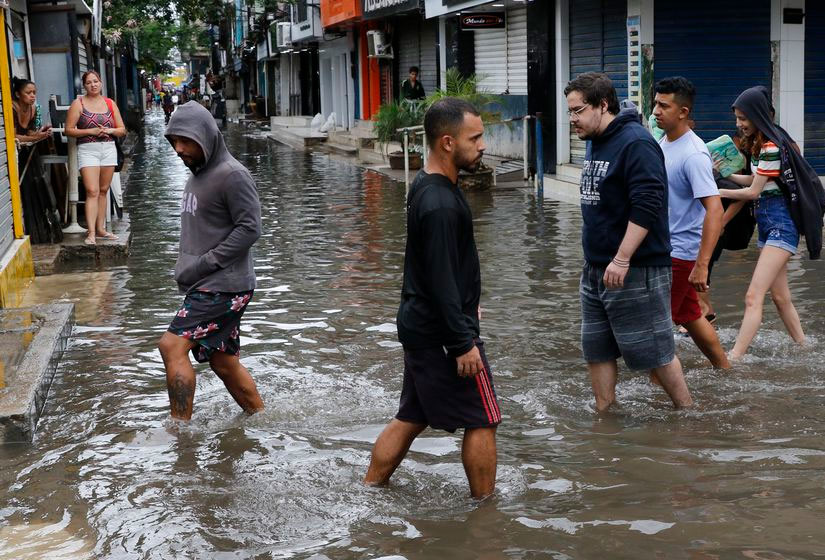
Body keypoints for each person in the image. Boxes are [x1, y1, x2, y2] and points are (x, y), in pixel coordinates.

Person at [364, 98, 500, 499]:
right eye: (474, 138)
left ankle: (369, 490)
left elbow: (437, 268)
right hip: (443, 335)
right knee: (484, 417)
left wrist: (467, 298)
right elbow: (440, 278)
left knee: (411, 415)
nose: (483, 145)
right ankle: (486, 511)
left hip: (423, 325)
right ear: (446, 142)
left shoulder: (427, 183)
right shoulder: (440, 202)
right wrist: (462, 342)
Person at [565, 72, 692, 411]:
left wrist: (622, 258)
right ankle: (605, 414)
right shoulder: (594, 138)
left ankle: (689, 414)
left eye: (578, 111)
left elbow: (649, 205)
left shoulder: (636, 143)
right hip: (595, 269)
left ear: (603, 105)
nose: (572, 119)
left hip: (636, 268)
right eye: (570, 112)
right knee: (597, 348)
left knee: (655, 352)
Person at [158, 101, 264, 421]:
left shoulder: (232, 175)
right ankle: (262, 419)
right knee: (223, 362)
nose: (179, 149)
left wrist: (207, 263)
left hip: (222, 284)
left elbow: (250, 228)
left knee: (171, 346)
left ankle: (180, 434)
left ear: (205, 136)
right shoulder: (199, 173)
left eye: (186, 141)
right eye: (174, 141)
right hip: (207, 282)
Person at [717, 86, 818, 359]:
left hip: (780, 226)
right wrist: (720, 173)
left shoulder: (772, 147)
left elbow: (752, 193)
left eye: (744, 118)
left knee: (753, 296)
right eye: (737, 118)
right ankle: (806, 349)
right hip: (769, 225)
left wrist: (717, 190)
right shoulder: (763, 146)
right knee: (780, 297)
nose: (739, 124)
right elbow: (755, 181)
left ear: (758, 116)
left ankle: (734, 358)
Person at [652, 77, 729, 369]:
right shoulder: (664, 142)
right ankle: (724, 368)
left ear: (683, 112)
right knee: (691, 316)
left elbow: (714, 209)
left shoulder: (693, 154)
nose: (656, 110)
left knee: (655, 327)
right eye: (655, 103)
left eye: (663, 105)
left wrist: (702, 264)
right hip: (667, 248)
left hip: (679, 253)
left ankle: (663, 390)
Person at [64, 70, 126, 245]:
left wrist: (110, 130)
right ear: (84, 85)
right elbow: (68, 130)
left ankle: (101, 229)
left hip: (108, 148)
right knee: (92, 190)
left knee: (104, 190)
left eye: (96, 81)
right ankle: (91, 232)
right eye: (89, 82)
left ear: (101, 83)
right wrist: (90, 131)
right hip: (87, 149)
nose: (93, 85)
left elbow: (122, 129)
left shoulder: (109, 103)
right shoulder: (78, 103)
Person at [11, 77, 51, 144]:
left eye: (34, 92)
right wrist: (36, 137)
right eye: (28, 93)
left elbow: (29, 132)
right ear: (17, 94)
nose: (33, 96)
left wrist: (44, 132)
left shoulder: (33, 109)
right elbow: (13, 136)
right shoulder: (12, 109)